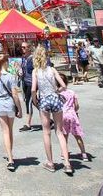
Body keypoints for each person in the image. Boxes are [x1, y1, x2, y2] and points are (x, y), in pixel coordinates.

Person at [31, 45, 71, 174]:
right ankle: (67, 163)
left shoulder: (35, 71)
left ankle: (50, 162)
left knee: (46, 131)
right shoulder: (52, 70)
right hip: (55, 98)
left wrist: (34, 99)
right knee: (59, 132)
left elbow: (33, 89)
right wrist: (56, 91)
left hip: (44, 99)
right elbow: (64, 85)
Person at [0, 54, 23, 171]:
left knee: (5, 131)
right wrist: (20, 109)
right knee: (10, 130)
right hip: (10, 105)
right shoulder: (11, 76)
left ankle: (10, 158)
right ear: (6, 63)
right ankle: (10, 155)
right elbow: (15, 94)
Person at [58, 74, 89, 162]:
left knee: (64, 135)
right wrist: (74, 110)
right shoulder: (71, 92)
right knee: (77, 135)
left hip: (62, 115)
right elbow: (77, 105)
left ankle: (64, 153)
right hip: (72, 114)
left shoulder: (58, 94)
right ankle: (84, 154)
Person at [19, 42, 36, 130]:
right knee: (33, 101)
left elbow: (35, 70)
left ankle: (28, 123)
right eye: (21, 47)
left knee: (28, 102)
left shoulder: (32, 58)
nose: (22, 49)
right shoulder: (24, 58)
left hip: (31, 83)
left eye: (24, 47)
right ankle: (47, 117)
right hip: (25, 82)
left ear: (29, 48)